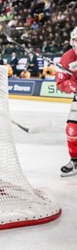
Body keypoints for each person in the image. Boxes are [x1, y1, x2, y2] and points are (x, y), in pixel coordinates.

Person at [55, 26, 77, 177]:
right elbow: (61, 83)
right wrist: (73, 85)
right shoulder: (67, 58)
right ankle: (75, 161)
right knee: (72, 130)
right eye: (76, 40)